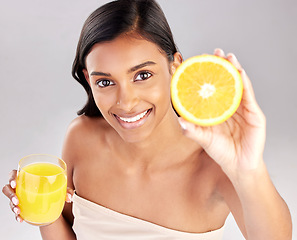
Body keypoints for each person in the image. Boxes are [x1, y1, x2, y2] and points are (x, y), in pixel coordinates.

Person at [2, 0, 292, 239]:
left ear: (175, 67)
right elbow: (66, 229)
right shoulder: (80, 137)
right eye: (105, 82)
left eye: (142, 75)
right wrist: (43, 213)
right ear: (89, 80)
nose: (126, 102)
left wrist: (248, 168)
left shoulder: (216, 164)